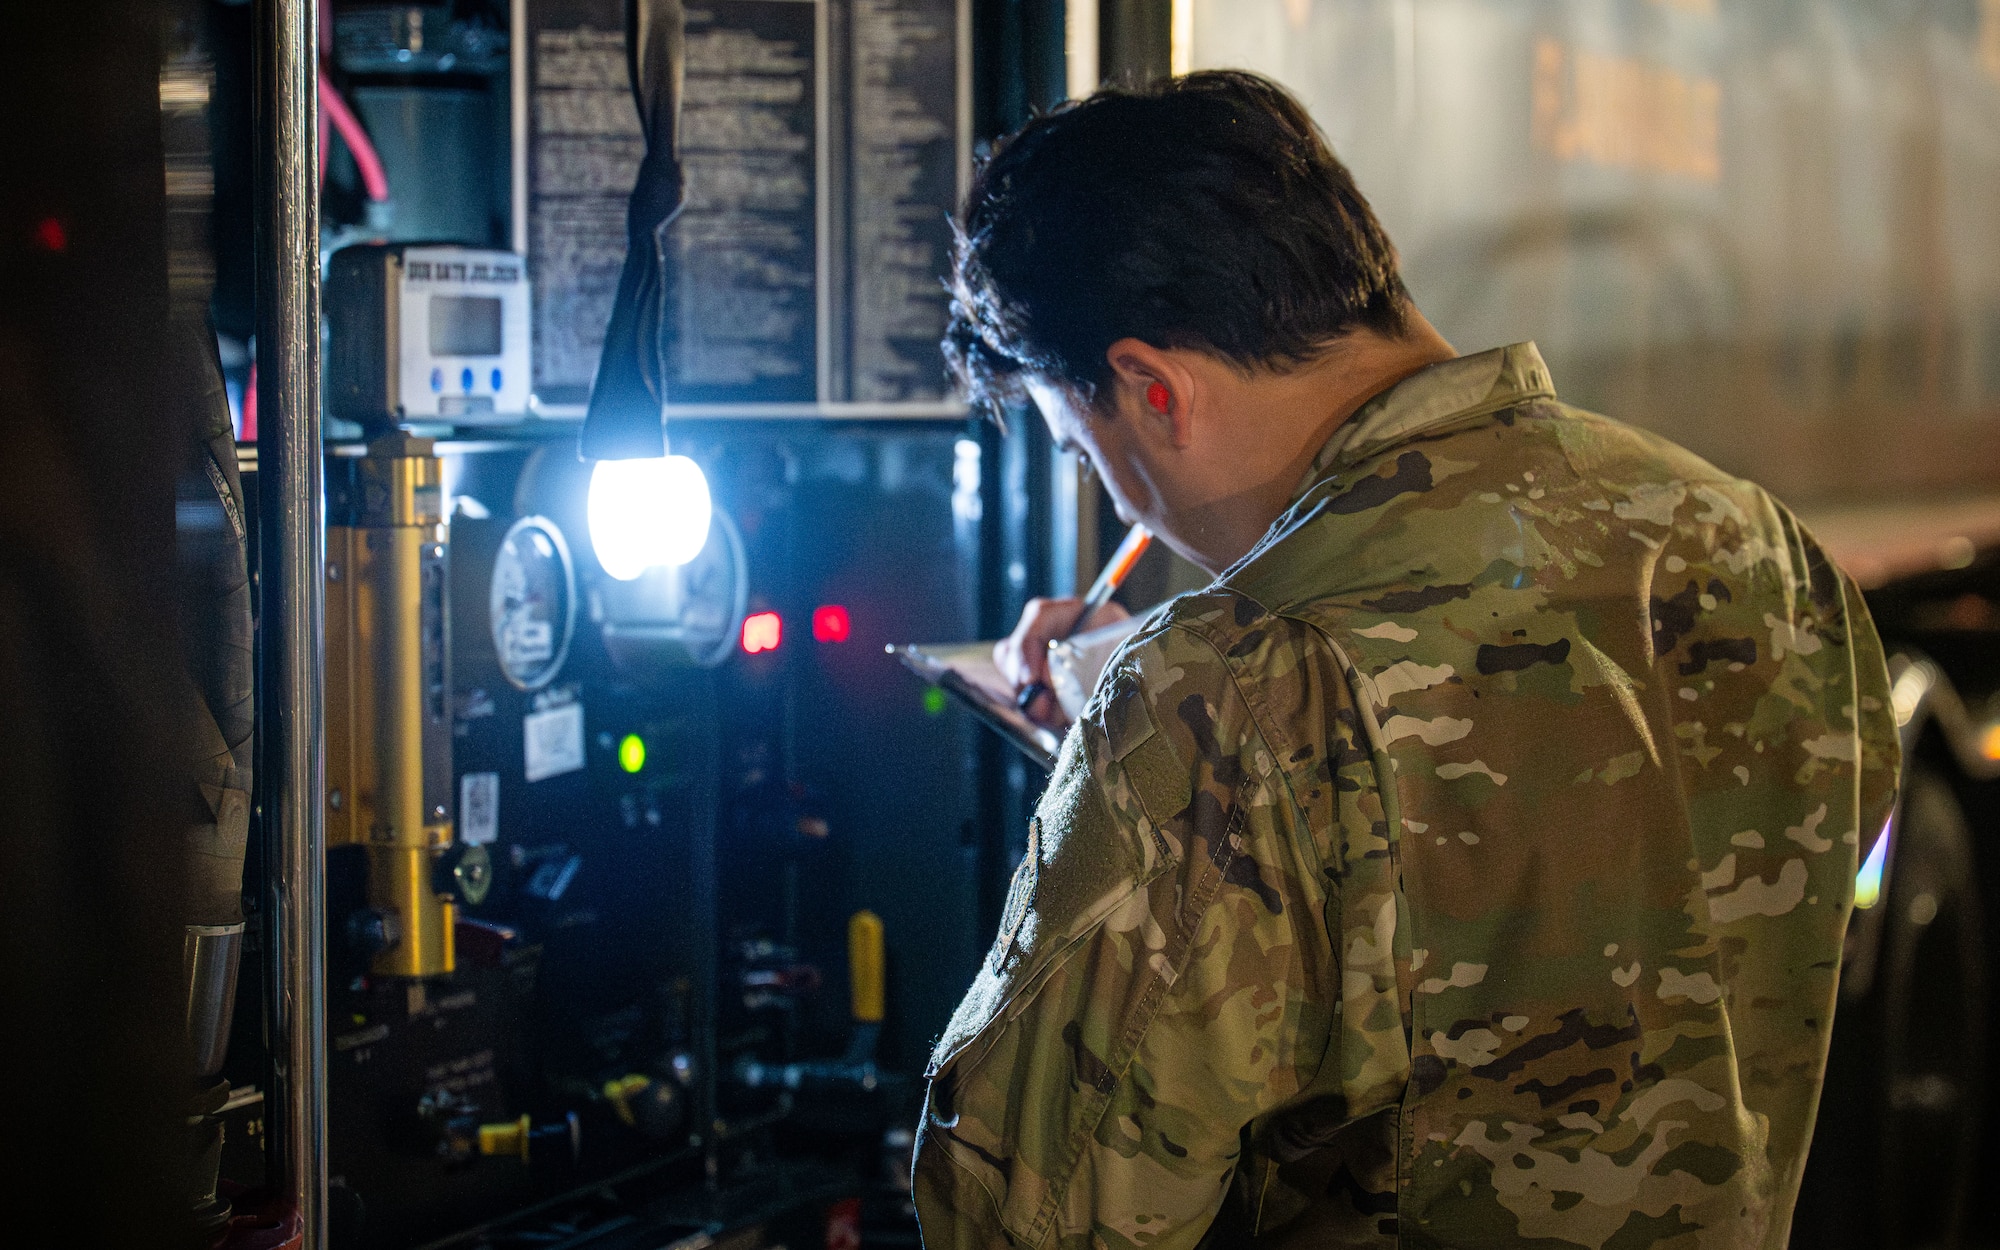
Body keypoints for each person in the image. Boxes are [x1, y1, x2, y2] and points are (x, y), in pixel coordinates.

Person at [917, 70, 1900, 1249]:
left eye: (1089, 450)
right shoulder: (1755, 546)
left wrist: (1145, 768)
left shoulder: (1233, 686)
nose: (1123, 501)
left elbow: (1031, 1210)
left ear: (1150, 387)